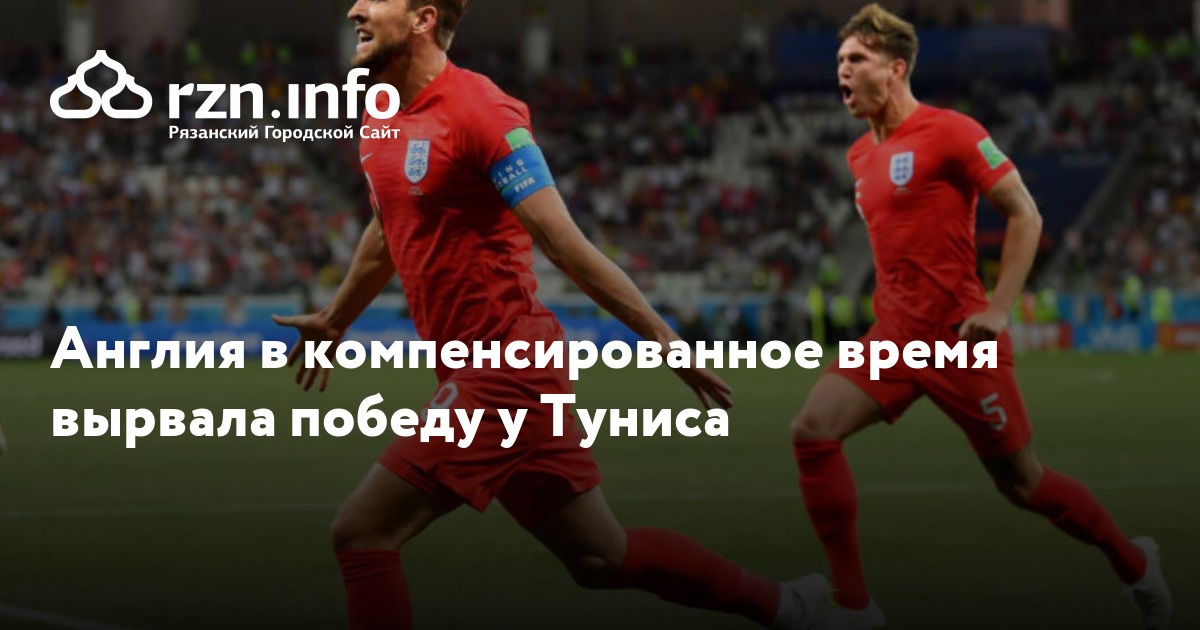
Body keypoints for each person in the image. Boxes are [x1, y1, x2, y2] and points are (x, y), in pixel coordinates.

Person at [273, 1, 830, 628]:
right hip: (480, 368)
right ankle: (793, 607)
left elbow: (564, 243)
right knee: (602, 558)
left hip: (506, 368)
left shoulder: (483, 111)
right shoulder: (380, 117)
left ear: (424, 18)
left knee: (362, 533)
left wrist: (662, 338)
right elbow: (388, 226)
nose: (354, 8)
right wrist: (336, 318)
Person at [788, 5, 1172, 629]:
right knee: (811, 430)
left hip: (960, 338)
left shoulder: (952, 132)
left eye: (856, 59)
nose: (843, 71)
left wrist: (998, 307)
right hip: (894, 337)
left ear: (896, 68)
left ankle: (1133, 562)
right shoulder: (859, 156)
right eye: (839, 61)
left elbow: (1026, 213)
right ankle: (855, 605)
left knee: (1024, 484)